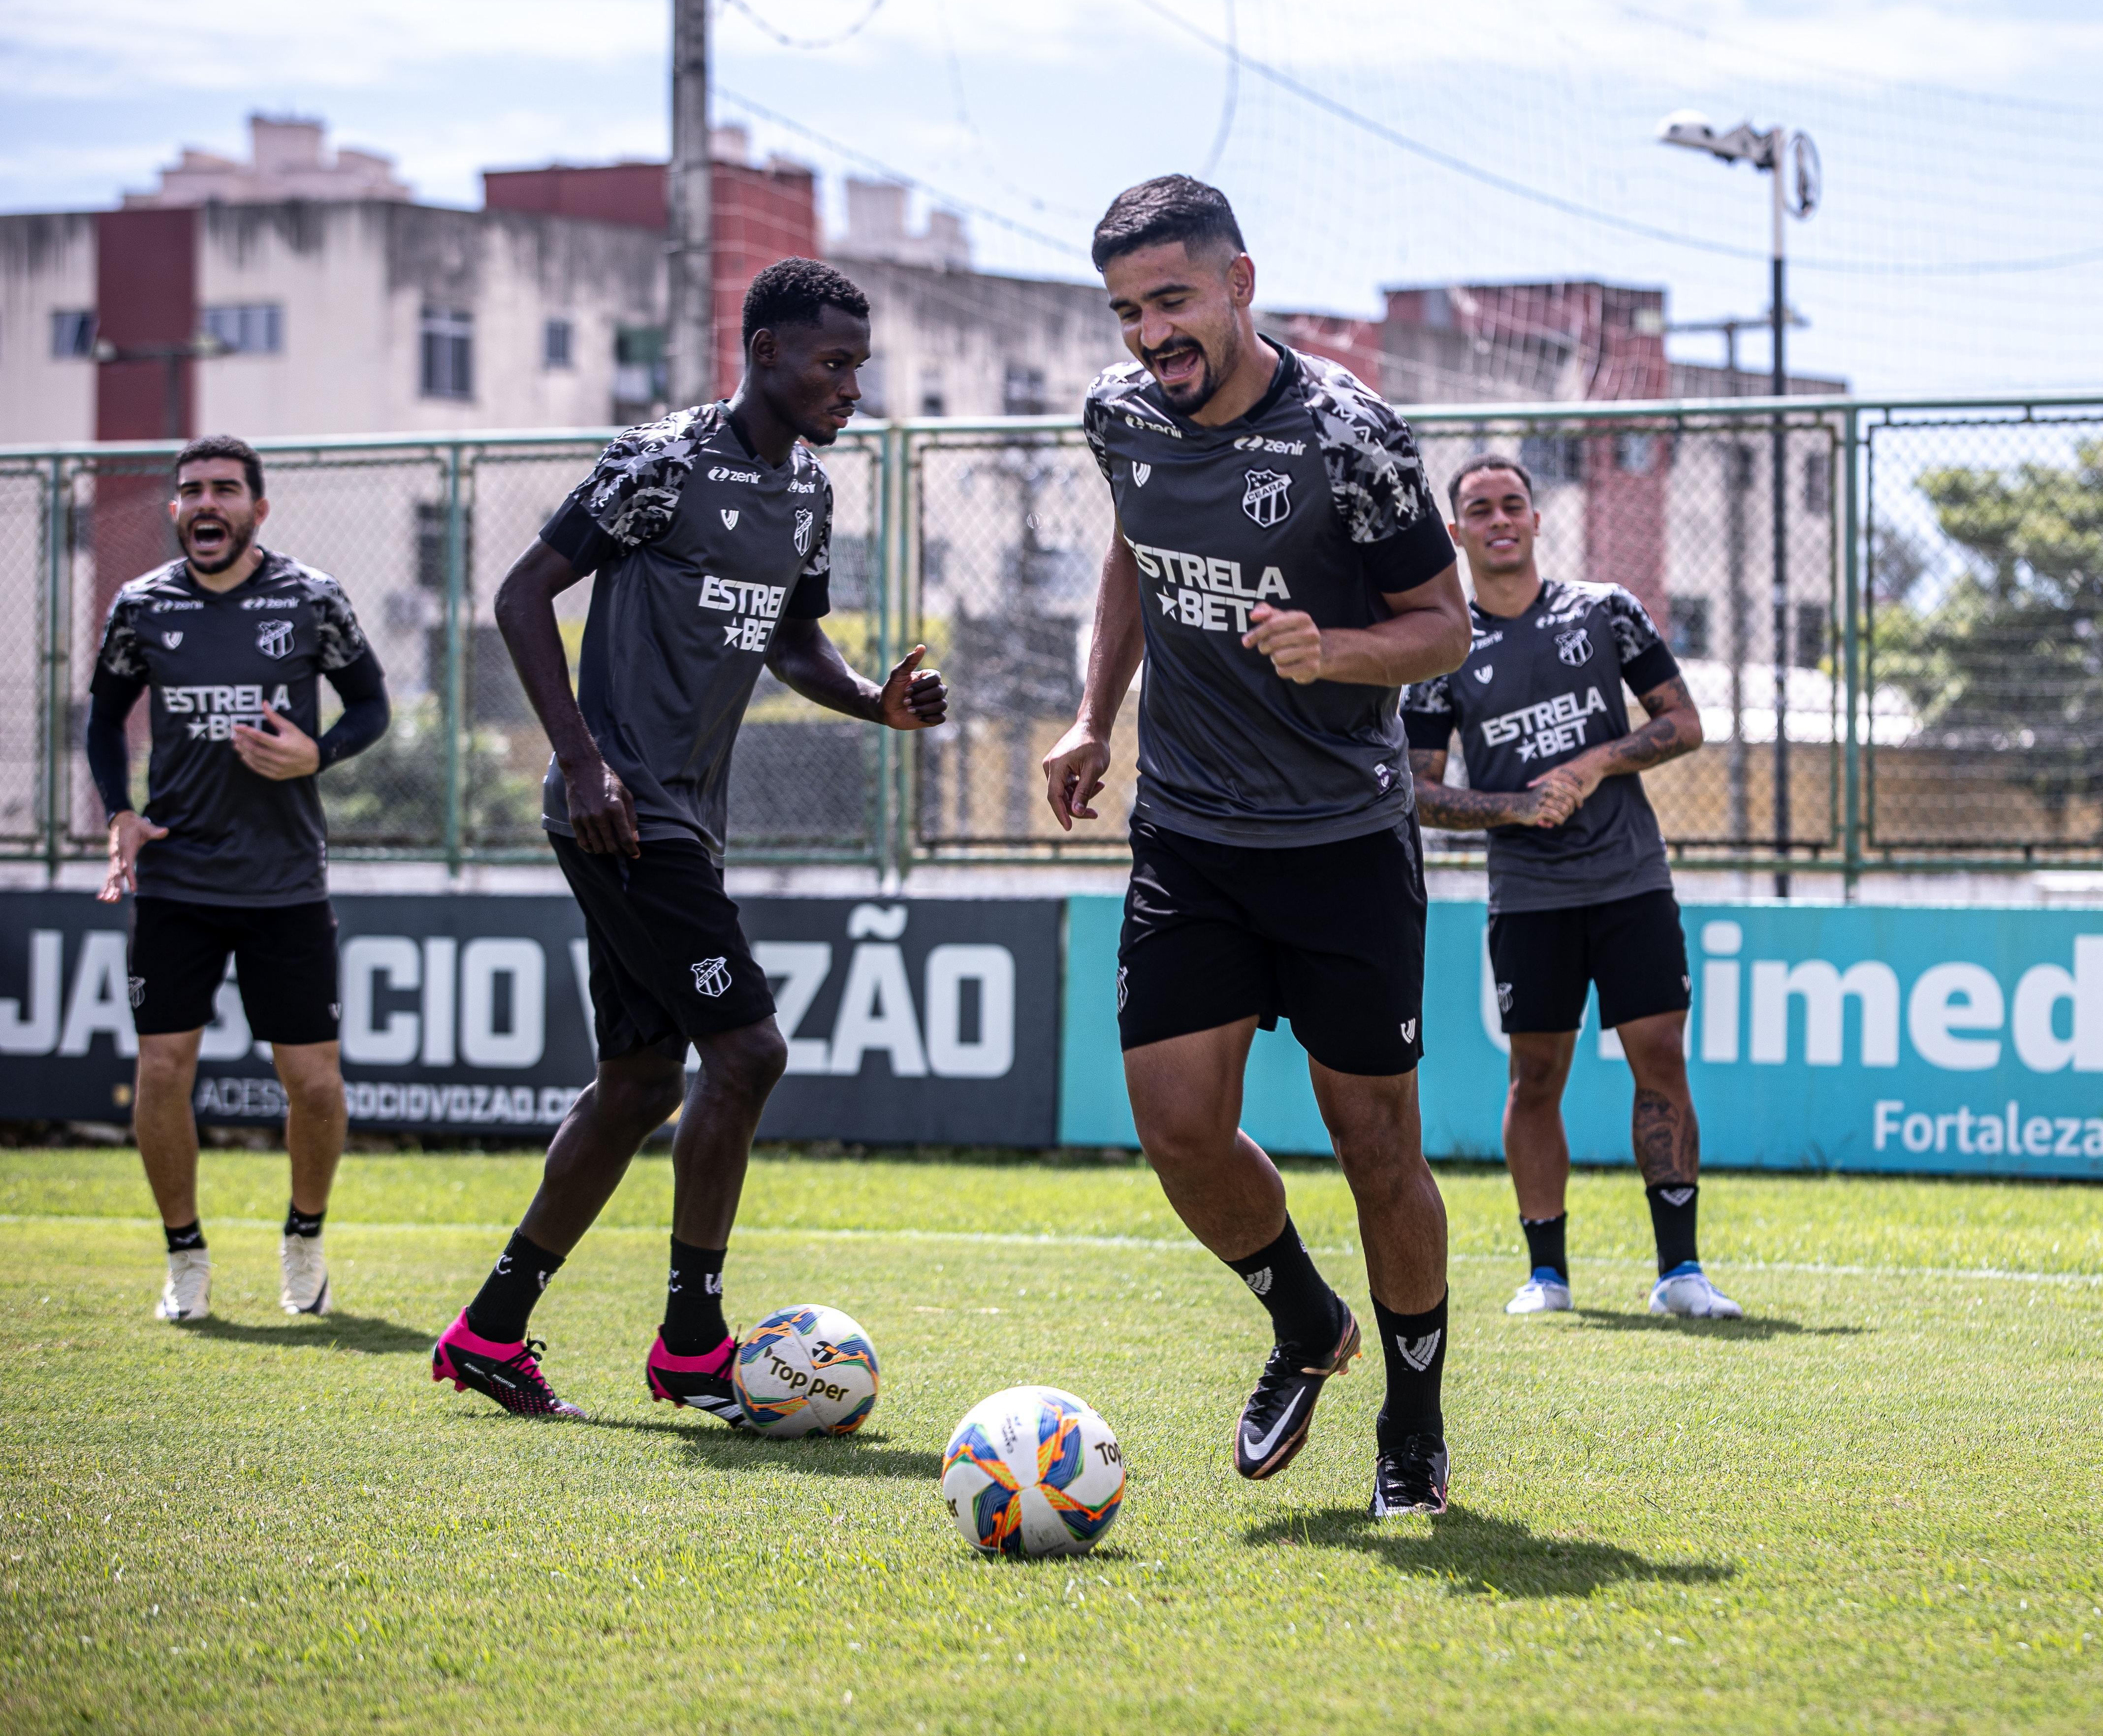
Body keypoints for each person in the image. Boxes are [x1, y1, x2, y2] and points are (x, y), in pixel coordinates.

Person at [430, 258, 947, 1421]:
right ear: (763, 352)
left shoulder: (808, 494)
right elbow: (520, 598)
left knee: (640, 1081)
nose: (851, 387)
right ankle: (691, 1343)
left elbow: (794, 644)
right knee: (750, 1051)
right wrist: (581, 758)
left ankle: (490, 1330)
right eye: (833, 362)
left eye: (860, 366)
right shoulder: (661, 462)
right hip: (620, 809)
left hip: (681, 822)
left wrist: (876, 701)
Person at [1039, 177, 1472, 1517]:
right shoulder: (1121, 416)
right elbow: (1135, 553)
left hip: (1343, 840)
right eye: (1126, 311)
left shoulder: (1352, 433)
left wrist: (1334, 650)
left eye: (1172, 300)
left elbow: (1445, 626)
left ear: (1239, 280)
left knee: (1376, 1148)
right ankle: (1302, 1322)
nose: (1150, 334)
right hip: (1188, 832)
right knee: (1178, 1129)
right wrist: (1089, 715)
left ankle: (1413, 1413)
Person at [1403, 455, 1742, 1321]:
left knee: (1659, 1057)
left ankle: (1681, 1272)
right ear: (1458, 532)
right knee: (1536, 1076)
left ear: (1537, 516)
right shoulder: (1444, 645)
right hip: (1529, 897)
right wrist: (1518, 806)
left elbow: (1685, 722)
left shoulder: (1605, 611)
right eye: (1480, 509)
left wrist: (1594, 763)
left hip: (1630, 879)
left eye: (1513, 503)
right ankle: (1547, 1275)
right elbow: (1417, 789)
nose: (1499, 519)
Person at [89, 436, 390, 1324]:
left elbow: (371, 703)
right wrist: (120, 811)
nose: (205, 503)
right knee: (162, 1068)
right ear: (176, 511)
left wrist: (319, 754)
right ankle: (185, 1256)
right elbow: (105, 721)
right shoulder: (141, 606)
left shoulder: (311, 598)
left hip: (286, 883)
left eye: (225, 489)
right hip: (177, 878)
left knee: (315, 1083)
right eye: (191, 492)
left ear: (260, 509)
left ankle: (304, 1240)